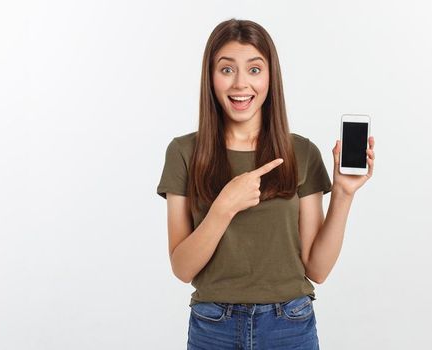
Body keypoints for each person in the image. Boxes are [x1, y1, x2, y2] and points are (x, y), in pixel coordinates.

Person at [156, 18, 376, 349]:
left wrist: (343, 194)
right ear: (210, 77)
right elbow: (183, 268)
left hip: (289, 324)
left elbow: (316, 269)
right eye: (227, 69)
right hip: (213, 326)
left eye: (255, 70)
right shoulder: (184, 152)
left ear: (271, 77)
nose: (240, 83)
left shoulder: (300, 152)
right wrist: (224, 207)